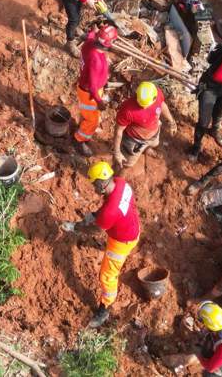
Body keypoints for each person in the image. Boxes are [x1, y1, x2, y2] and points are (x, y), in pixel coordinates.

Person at [82, 162, 140, 328]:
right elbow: (109, 204)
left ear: (101, 183)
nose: (93, 187)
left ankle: (105, 307)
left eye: (94, 184)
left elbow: (95, 231)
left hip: (121, 242)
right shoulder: (121, 183)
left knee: (107, 276)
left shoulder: (110, 212)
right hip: (132, 227)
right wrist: (95, 214)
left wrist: (77, 227)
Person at [74, 24, 118, 157]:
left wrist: (94, 31)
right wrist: (99, 101)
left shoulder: (89, 43)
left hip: (87, 87)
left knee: (87, 115)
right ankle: (79, 140)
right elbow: (93, 87)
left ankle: (83, 124)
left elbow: (91, 35)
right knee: (92, 120)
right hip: (89, 94)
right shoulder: (96, 60)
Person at [113, 81, 178, 168]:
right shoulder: (127, 110)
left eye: (145, 105)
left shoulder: (157, 94)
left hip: (154, 133)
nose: (143, 107)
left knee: (155, 143)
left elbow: (162, 105)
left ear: (154, 98)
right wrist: (117, 152)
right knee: (127, 164)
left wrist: (172, 122)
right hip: (135, 141)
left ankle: (147, 149)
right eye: (140, 104)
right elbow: (118, 131)